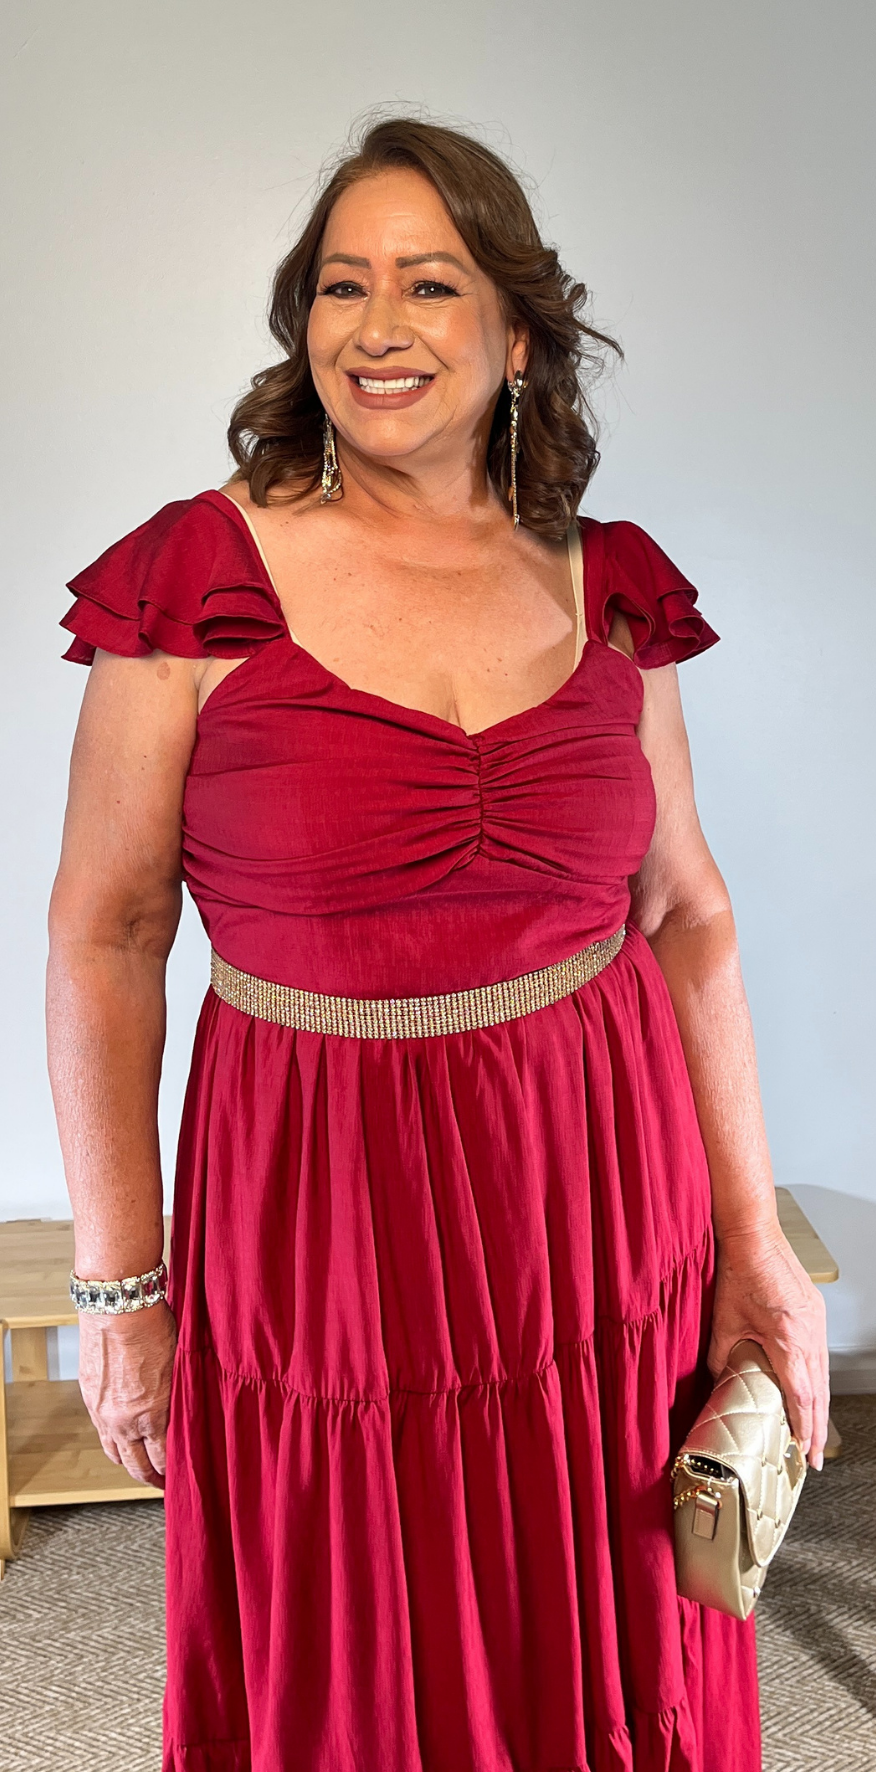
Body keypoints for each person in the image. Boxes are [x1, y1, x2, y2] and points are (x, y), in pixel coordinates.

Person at [47, 116, 828, 1772]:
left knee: (606, 1622)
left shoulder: (605, 586)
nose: (378, 326)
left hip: (601, 1207)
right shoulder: (194, 583)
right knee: (361, 1653)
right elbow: (105, 938)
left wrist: (752, 1240)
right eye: (342, 286)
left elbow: (688, 913)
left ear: (519, 335)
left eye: (429, 282)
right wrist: (122, 1291)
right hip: (325, 1228)